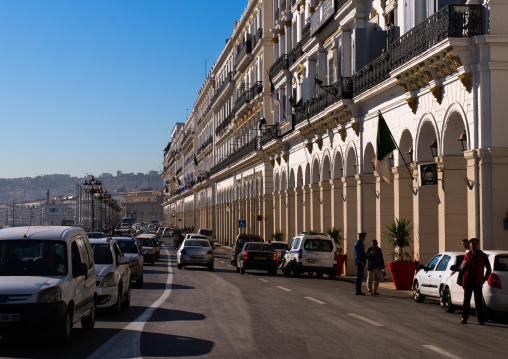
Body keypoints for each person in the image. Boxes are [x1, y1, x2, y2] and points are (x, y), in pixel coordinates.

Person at [460, 238, 491, 325]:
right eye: (473, 244)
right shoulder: (467, 255)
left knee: (478, 302)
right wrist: (464, 264)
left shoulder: (482, 255)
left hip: (477, 281)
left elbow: (489, 268)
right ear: (470, 245)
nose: (474, 245)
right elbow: (462, 268)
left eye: (476, 244)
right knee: (466, 301)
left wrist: (485, 278)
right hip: (468, 281)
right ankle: (464, 318)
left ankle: (480, 320)